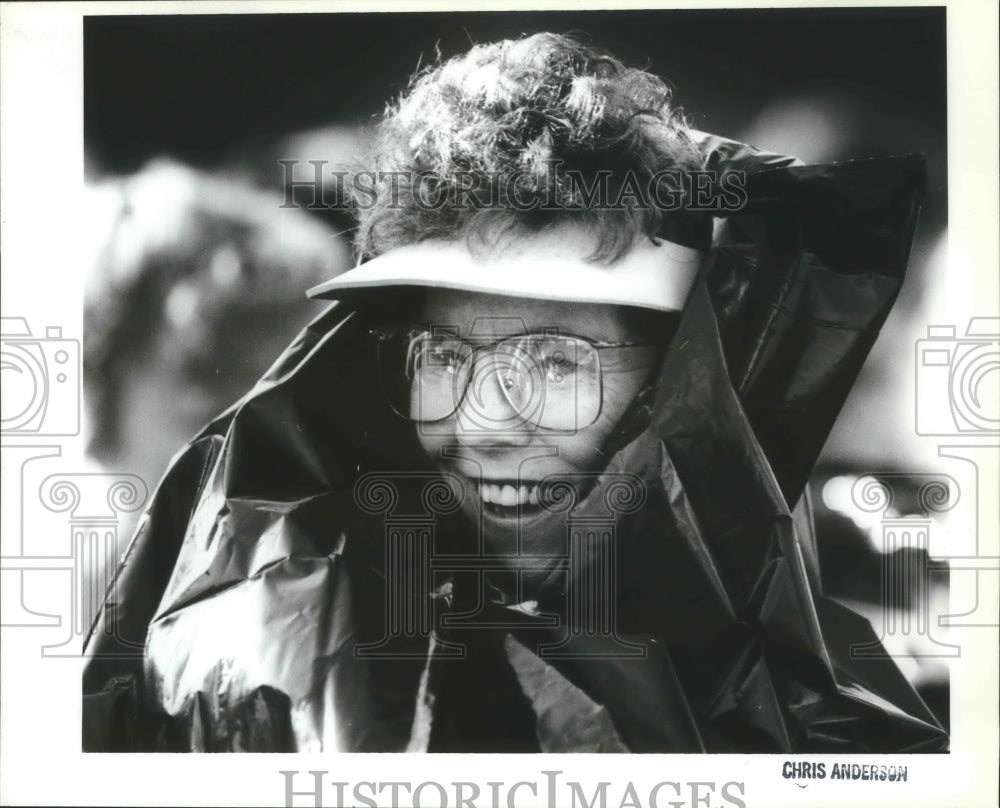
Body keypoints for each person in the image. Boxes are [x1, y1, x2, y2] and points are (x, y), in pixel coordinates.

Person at [83, 33, 946, 753]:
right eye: (445, 356)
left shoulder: (859, 663)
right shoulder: (261, 677)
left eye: (558, 362)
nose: (483, 425)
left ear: (682, 383)